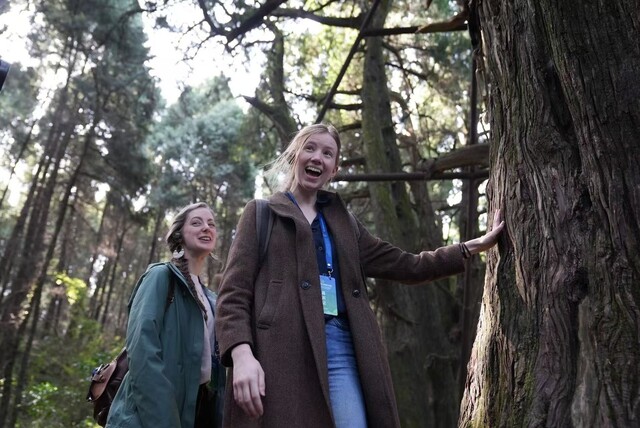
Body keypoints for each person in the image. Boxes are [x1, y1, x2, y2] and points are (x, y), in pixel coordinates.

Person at [215, 123, 504, 428]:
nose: (317, 157)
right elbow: (233, 295)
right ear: (294, 156)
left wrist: (469, 247)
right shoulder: (261, 214)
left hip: (340, 346)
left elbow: (408, 265)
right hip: (280, 351)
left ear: (334, 170)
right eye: (310, 148)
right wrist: (242, 354)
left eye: (328, 153)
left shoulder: (345, 225)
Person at [106, 202, 224, 428]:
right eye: (196, 223)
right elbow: (142, 350)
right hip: (148, 417)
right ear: (179, 235)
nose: (206, 228)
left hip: (196, 412)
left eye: (211, 224)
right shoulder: (161, 276)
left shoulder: (211, 299)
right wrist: (164, 419)